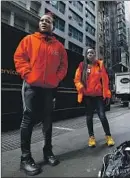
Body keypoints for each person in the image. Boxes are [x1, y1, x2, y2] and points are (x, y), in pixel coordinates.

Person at [14, 12, 68, 176]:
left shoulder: (58, 47)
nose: (44, 22)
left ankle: (47, 152)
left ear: (53, 26)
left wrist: (56, 80)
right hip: (31, 86)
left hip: (49, 88)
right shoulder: (29, 40)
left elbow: (63, 66)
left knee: (47, 120)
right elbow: (19, 58)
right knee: (28, 118)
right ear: (39, 24)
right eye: (42, 20)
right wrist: (28, 74)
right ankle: (25, 159)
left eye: (48, 21)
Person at [74, 47, 115, 148]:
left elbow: (105, 81)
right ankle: (91, 137)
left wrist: (108, 94)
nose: (90, 54)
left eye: (92, 52)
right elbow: (76, 80)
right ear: (86, 55)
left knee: (102, 116)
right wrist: (81, 87)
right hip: (87, 96)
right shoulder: (82, 66)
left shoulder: (99, 66)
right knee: (89, 117)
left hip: (98, 96)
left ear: (95, 55)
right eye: (88, 53)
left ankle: (108, 136)